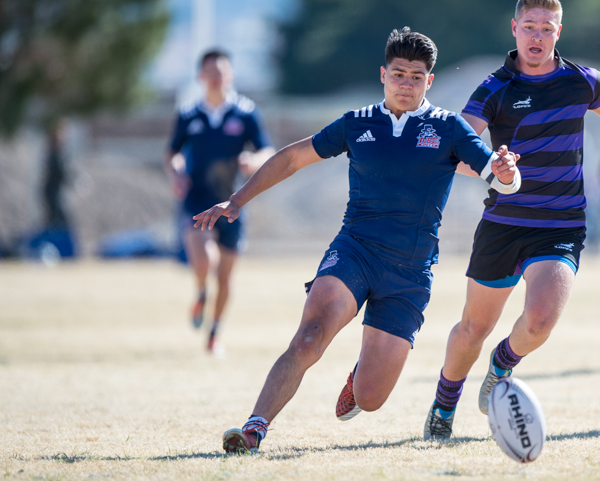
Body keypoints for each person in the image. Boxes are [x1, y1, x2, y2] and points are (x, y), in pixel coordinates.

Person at [202, 28, 521, 454]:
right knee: (311, 335)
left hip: (410, 270)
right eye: (398, 74)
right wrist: (237, 200)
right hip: (355, 249)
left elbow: (504, 182)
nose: (405, 83)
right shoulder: (358, 123)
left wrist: (506, 172)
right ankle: (254, 428)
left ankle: (359, 375)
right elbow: (294, 157)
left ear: (429, 81)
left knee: (370, 399)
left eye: (416, 76)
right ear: (383, 75)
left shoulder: (450, 129)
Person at [422, 0, 600, 441]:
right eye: (529, 27)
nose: (537, 36)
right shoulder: (494, 87)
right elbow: (458, 149)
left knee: (540, 321)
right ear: (514, 29)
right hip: (504, 223)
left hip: (561, 225)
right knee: (474, 325)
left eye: (546, 29)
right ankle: (443, 403)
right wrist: (490, 163)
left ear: (559, 31)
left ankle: (502, 364)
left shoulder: (582, 80)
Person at [165, 49, 275, 355]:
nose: (216, 77)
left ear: (231, 75)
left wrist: (253, 160)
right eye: (210, 72)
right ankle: (201, 292)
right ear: (200, 77)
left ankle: (214, 333)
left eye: (221, 71)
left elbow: (268, 151)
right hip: (197, 200)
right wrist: (176, 172)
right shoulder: (188, 115)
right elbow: (172, 152)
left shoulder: (246, 112)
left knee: (225, 277)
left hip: (233, 204)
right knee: (205, 259)